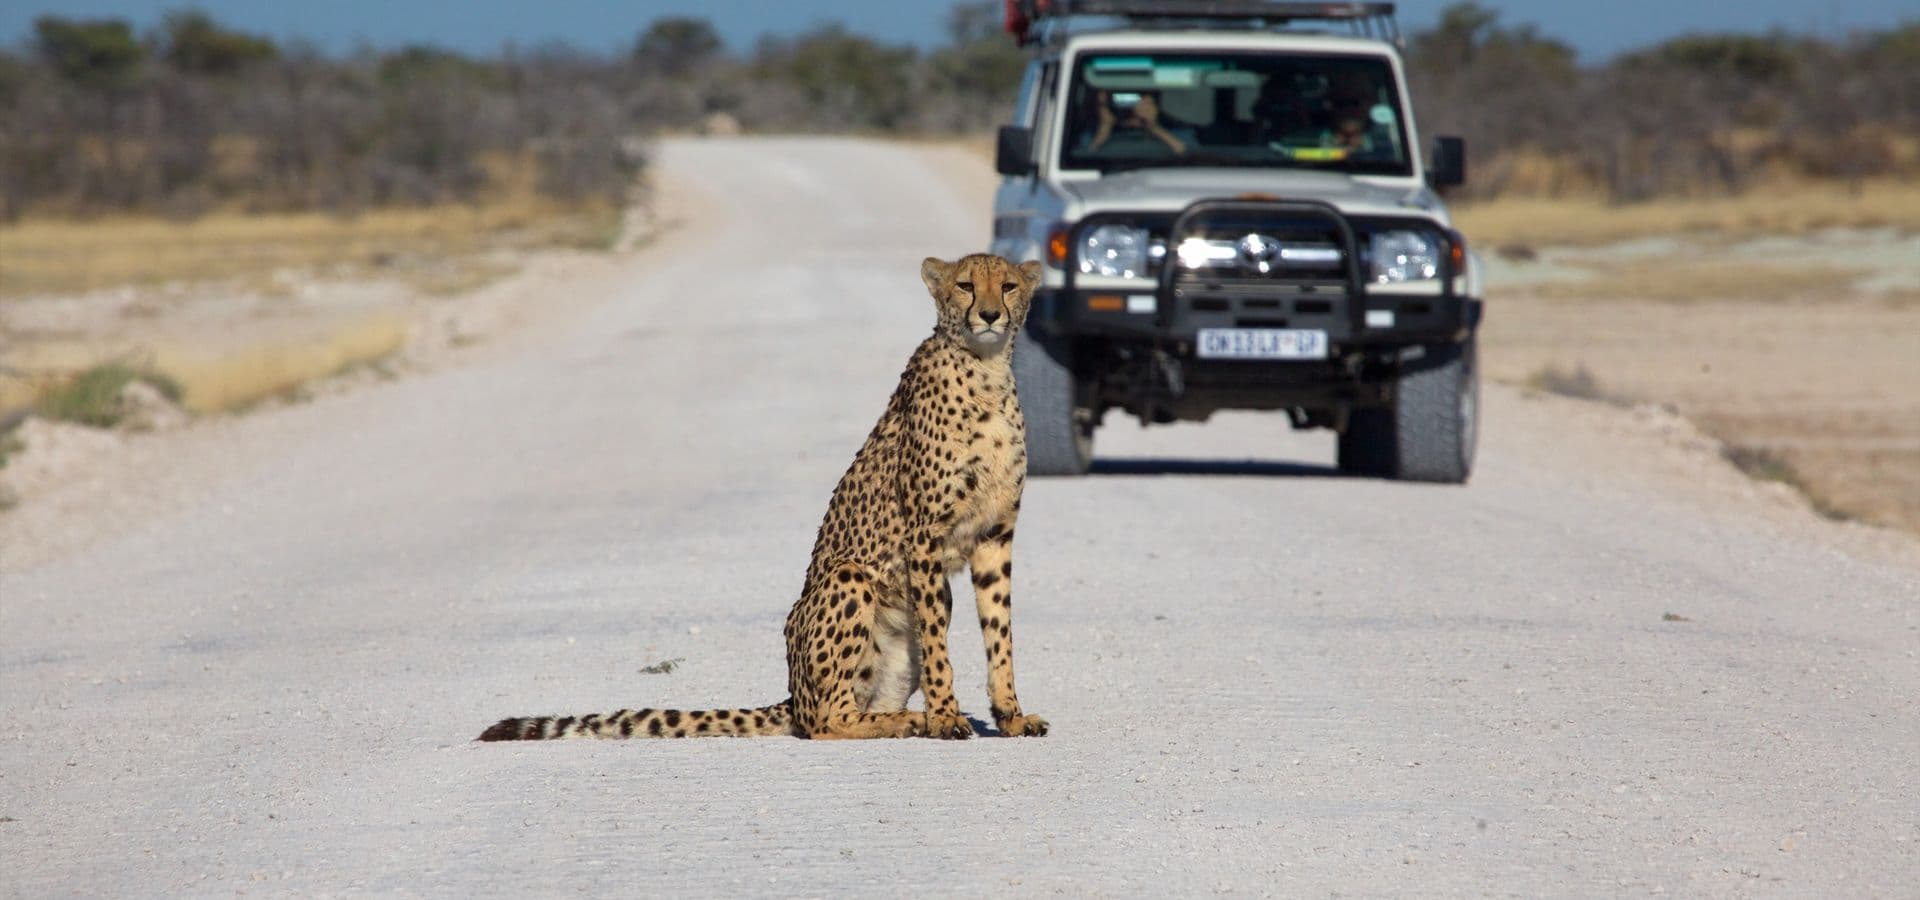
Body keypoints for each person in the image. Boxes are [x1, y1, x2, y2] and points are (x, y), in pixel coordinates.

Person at [1081, 90, 1194, 156]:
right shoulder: (1090, 135)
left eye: (1133, 102)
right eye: (1115, 103)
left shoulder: (1178, 130)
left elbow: (1190, 155)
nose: (1126, 109)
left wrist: (1154, 127)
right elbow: (1083, 162)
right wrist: (1103, 131)